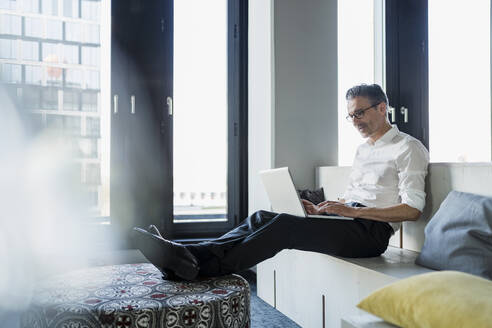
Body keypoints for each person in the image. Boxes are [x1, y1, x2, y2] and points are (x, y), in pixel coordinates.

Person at [132, 84, 429, 281]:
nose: (355, 121)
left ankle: (198, 267)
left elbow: (412, 209)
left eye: (360, 113)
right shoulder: (363, 150)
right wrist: (325, 208)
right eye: (351, 116)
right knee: (262, 217)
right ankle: (188, 255)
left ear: (382, 108)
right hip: (350, 220)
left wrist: (354, 211)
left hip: (371, 235)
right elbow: (359, 194)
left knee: (284, 228)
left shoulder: (408, 147)